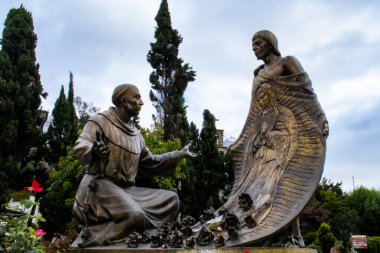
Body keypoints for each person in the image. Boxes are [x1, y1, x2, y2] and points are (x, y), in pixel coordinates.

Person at [220, 30, 328, 247]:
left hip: (283, 138)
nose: (254, 48)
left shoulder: (287, 63)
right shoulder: (258, 74)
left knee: (281, 186)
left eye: (258, 43)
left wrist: (321, 117)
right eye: (252, 45)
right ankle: (260, 233)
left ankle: (293, 236)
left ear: (270, 43)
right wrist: (241, 142)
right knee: (256, 189)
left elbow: (308, 93)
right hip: (261, 140)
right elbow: (253, 113)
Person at [72, 84, 197, 247]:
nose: (141, 102)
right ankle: (92, 236)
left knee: (171, 200)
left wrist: (177, 154)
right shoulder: (100, 121)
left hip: (127, 191)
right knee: (135, 215)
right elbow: (81, 144)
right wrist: (93, 152)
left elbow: (152, 162)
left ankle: (148, 238)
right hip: (99, 187)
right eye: (137, 97)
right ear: (124, 100)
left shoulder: (137, 135)